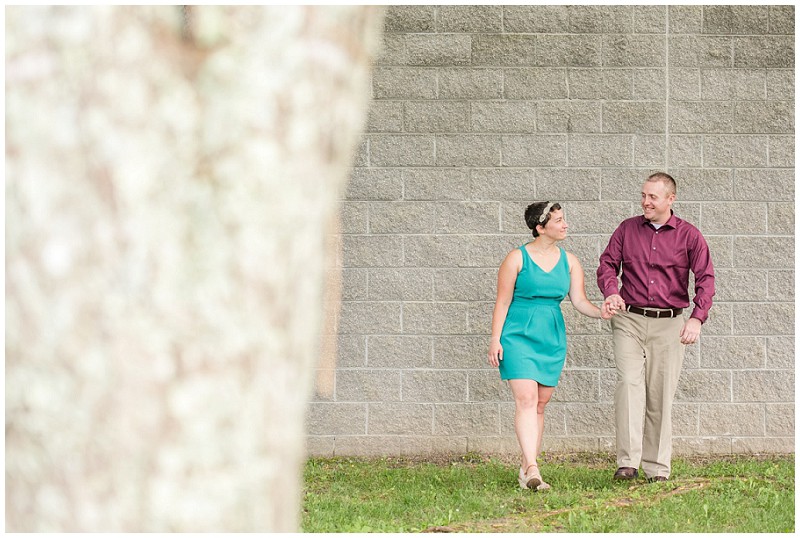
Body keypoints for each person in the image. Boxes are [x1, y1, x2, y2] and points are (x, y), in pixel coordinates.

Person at [488, 201, 616, 491]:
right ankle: (533, 468)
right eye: (558, 220)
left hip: (551, 336)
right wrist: (495, 338)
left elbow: (580, 301)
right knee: (526, 400)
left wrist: (601, 312)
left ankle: (526, 468)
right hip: (517, 335)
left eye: (563, 219)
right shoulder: (516, 258)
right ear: (540, 227)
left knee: (540, 405)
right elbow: (503, 301)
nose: (565, 224)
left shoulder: (569, 261)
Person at [597, 172, 715, 483]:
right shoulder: (627, 229)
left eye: (652, 197)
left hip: (670, 323)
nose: (645, 202)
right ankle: (627, 462)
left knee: (660, 395)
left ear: (670, 199)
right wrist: (611, 291)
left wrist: (696, 317)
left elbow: (706, 279)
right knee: (628, 386)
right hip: (629, 320)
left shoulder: (690, 236)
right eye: (644, 195)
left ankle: (657, 468)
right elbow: (608, 263)